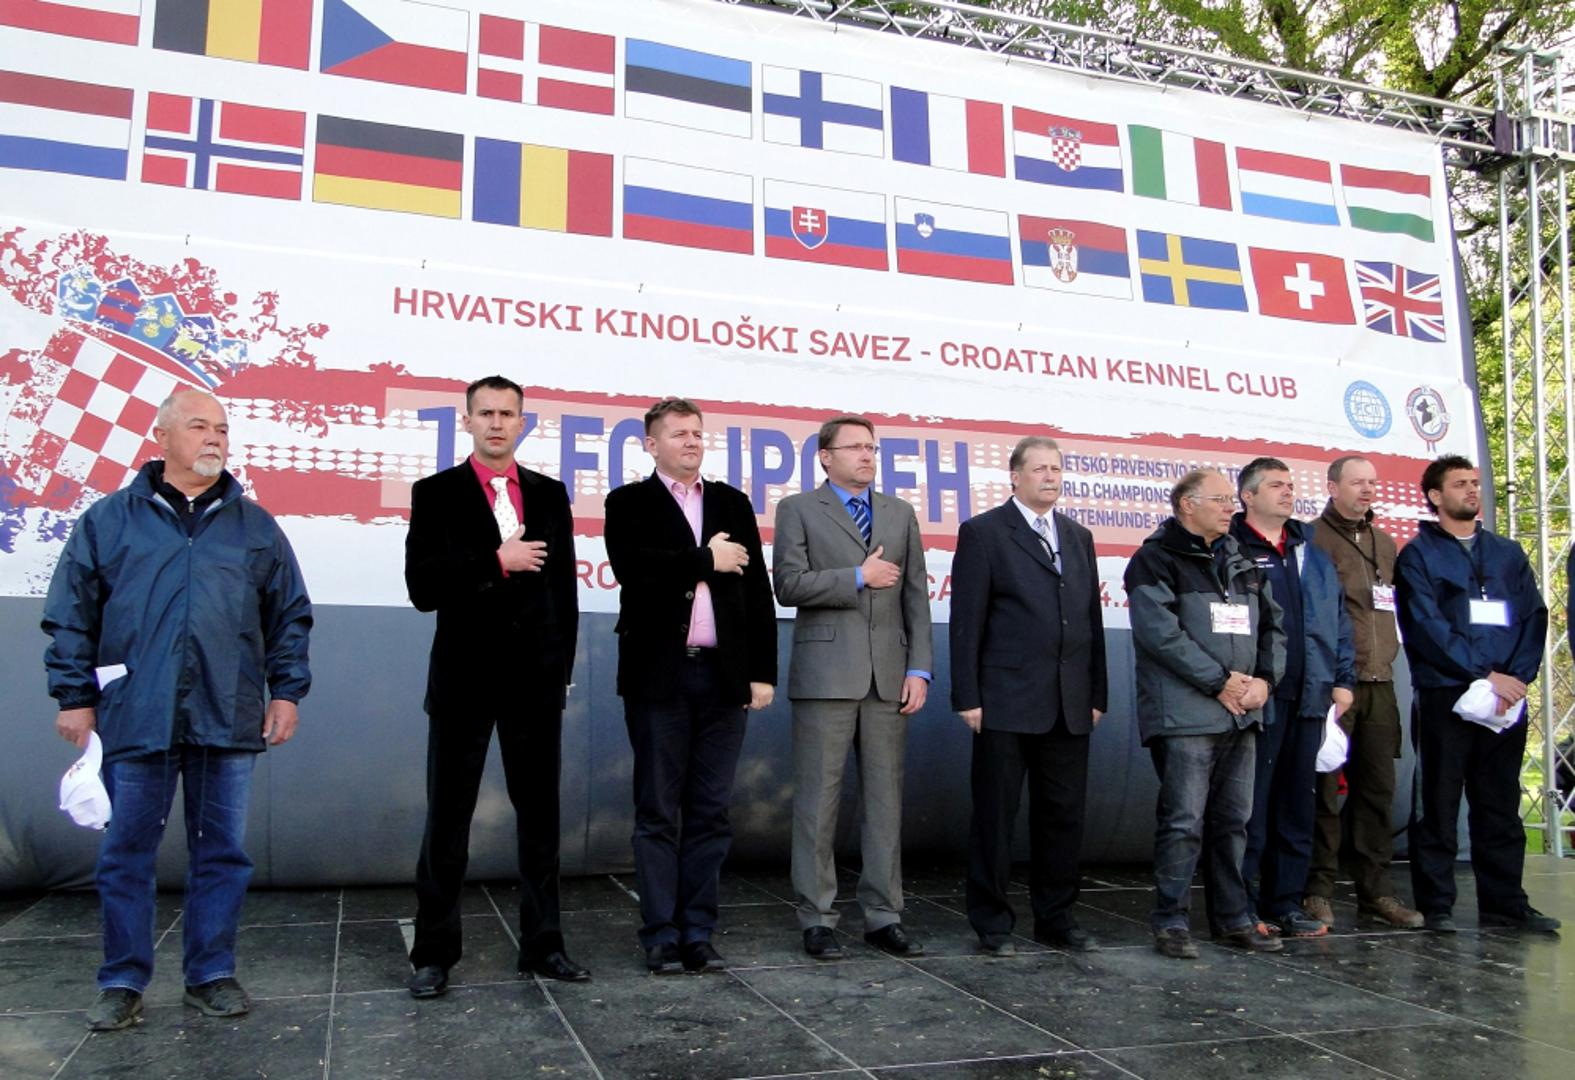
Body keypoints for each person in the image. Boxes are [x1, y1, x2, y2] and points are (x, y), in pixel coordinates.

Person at [42, 389, 313, 1031]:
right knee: (126, 854)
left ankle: (210, 974)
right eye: (198, 426)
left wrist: (285, 691)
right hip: (136, 714)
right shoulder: (110, 520)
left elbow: (289, 617)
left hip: (228, 713)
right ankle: (122, 981)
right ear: (161, 437)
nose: (214, 438)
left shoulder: (256, 526)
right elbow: (72, 615)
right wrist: (74, 697)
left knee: (221, 854)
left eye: (222, 428)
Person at [404, 375, 587, 998]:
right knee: (447, 820)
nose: (497, 423)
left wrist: (561, 672)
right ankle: (433, 954)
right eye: (485, 413)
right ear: (467, 420)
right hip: (463, 680)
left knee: (540, 820)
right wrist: (494, 562)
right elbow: (422, 587)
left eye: (508, 413)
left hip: (535, 684)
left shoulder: (549, 494)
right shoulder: (436, 493)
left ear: (522, 422)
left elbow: (563, 590)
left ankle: (544, 944)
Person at [604, 398, 777, 975]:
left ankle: (698, 933)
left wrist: (761, 671)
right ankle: (660, 934)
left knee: (710, 811)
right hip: (660, 676)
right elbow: (635, 569)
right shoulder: (627, 502)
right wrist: (706, 558)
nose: (692, 441)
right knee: (657, 809)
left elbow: (756, 590)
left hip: (724, 677)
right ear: (652, 444)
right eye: (679, 433)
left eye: (698, 433)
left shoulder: (731, 502)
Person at [773, 415, 932, 958]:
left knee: (885, 803)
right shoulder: (798, 509)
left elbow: (915, 596)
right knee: (818, 803)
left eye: (872, 447)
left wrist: (919, 669)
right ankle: (816, 917)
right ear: (825, 456)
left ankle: (884, 915)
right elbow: (788, 585)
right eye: (855, 447)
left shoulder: (899, 513)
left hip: (889, 677)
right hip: (825, 677)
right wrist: (858, 577)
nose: (867, 456)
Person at [949, 436, 1107, 955]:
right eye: (1039, 469)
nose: (1050, 477)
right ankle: (992, 922)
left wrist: (1097, 693)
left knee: (1063, 816)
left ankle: (1056, 918)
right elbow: (967, 621)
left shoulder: (1078, 536)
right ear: (1015, 477)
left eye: (1056, 469)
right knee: (996, 817)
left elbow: (1091, 621)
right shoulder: (984, 532)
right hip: (1004, 699)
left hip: (1069, 702)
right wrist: (967, 695)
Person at [1123, 468, 1285, 958]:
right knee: (1183, 821)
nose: (1229, 507)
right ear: (1187, 504)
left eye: (1230, 499)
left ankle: (1233, 919)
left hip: (1242, 713)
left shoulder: (1242, 559)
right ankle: (1171, 922)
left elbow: (1274, 628)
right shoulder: (1154, 559)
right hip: (1186, 715)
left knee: (1234, 821)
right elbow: (1160, 634)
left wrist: (1264, 680)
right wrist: (1219, 682)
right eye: (1219, 499)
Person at [1395, 455, 1558, 933]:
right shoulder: (1418, 556)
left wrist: (1515, 679)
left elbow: (1533, 616)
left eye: (1475, 482)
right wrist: (1483, 675)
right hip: (1448, 693)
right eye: (1460, 484)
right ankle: (1437, 904)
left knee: (1500, 802)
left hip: (1506, 698)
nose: (1472, 490)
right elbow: (1425, 626)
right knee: (1439, 802)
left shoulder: (1506, 553)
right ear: (1435, 496)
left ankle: (1506, 903)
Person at [1217, 457, 1354, 939]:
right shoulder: (1230, 546)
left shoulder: (1309, 549)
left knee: (1298, 808)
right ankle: (1242, 906)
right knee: (1250, 809)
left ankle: (1286, 904)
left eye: (1291, 485)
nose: (1288, 492)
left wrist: (1343, 679)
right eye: (1276, 485)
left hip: (1310, 695)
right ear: (1248, 496)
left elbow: (1338, 619)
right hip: (1258, 697)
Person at [1303, 456, 1424, 929]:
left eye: (1373, 482)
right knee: (1324, 793)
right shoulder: (1312, 539)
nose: (1368, 490)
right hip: (1333, 684)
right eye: (1357, 482)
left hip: (1380, 682)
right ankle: (1316, 890)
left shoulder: (1385, 542)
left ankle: (1376, 894)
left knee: (1377, 791)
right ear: (1332, 487)